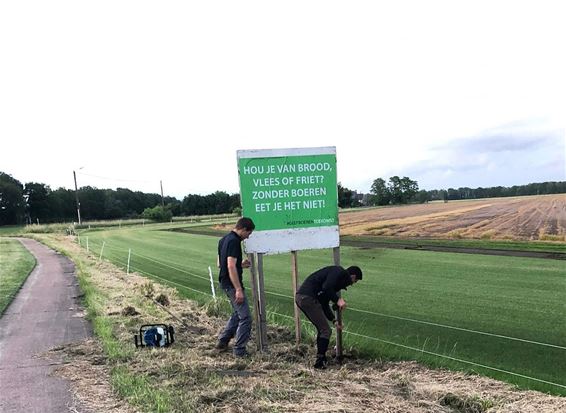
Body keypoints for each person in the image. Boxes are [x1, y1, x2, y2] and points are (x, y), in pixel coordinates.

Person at [295, 265, 363, 369]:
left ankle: (321, 358)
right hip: (307, 298)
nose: (352, 284)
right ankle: (320, 362)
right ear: (353, 277)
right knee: (325, 330)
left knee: (322, 329)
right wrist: (338, 300)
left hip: (303, 298)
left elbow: (324, 303)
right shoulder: (338, 271)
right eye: (355, 281)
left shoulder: (333, 282)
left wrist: (334, 320)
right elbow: (326, 287)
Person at [215, 217, 255, 357]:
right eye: (248, 234)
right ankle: (239, 350)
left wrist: (241, 264)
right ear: (243, 229)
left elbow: (220, 264)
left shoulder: (223, 240)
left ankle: (223, 341)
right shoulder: (234, 242)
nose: (247, 237)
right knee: (246, 318)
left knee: (237, 314)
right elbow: (230, 266)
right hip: (232, 284)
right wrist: (238, 289)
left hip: (224, 282)